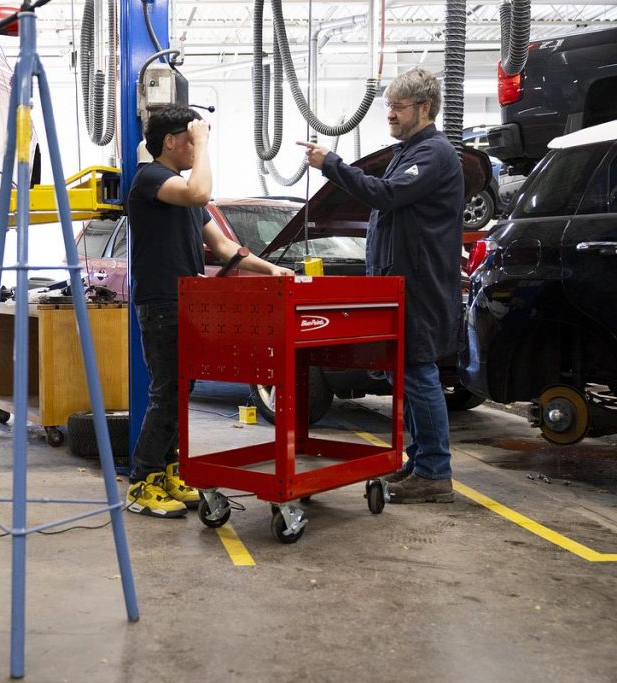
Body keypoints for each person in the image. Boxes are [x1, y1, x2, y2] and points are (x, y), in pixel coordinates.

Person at [299, 67, 462, 504]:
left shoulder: (433, 154)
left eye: (398, 107)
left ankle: (434, 472)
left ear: (425, 108)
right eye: (387, 105)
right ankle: (419, 462)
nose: (388, 113)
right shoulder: (407, 151)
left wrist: (332, 164)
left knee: (418, 374)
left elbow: (385, 195)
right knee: (405, 376)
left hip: (419, 286)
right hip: (398, 285)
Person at [126, 105, 294, 518]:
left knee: (181, 393)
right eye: (191, 140)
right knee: (166, 394)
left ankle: (168, 471)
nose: (197, 149)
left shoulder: (183, 192)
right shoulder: (150, 179)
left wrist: (269, 268)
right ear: (171, 141)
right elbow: (200, 192)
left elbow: (223, 248)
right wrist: (203, 143)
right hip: (161, 302)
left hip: (187, 302)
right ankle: (142, 483)